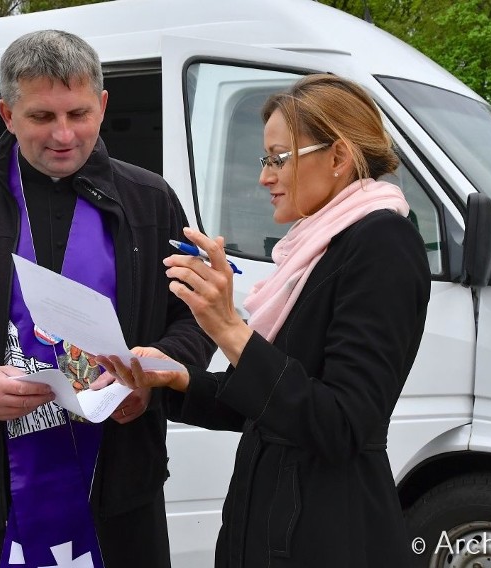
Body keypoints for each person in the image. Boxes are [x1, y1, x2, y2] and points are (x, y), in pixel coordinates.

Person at [0, 30, 214, 568]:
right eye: (41, 117)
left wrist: (155, 378)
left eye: (78, 113)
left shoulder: (150, 199)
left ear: (102, 105)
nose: (63, 135)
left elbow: (192, 318)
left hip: (120, 487)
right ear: (7, 114)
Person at [96, 75, 432, 567]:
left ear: (338, 157)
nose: (264, 177)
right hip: (271, 525)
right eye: (264, 160)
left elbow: (342, 423)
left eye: (279, 158)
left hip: (326, 537)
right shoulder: (315, 248)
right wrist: (173, 379)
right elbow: (257, 403)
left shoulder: (382, 243)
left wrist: (227, 327)